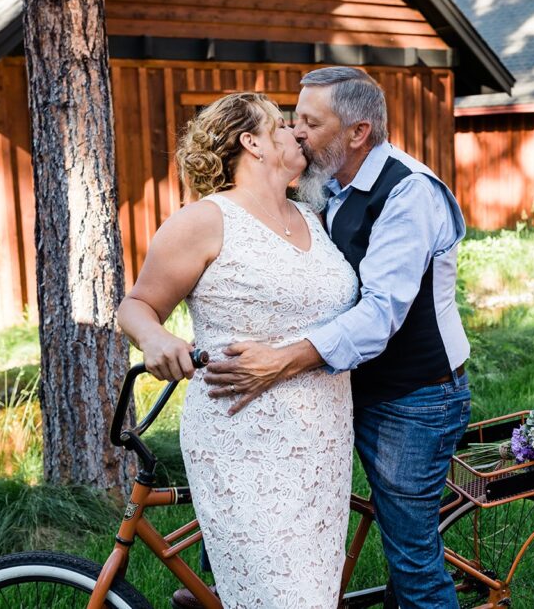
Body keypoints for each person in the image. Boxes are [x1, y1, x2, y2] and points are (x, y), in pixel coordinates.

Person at [204, 67, 472, 609]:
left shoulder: (409, 193)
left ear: (358, 132)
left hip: (414, 397)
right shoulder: (326, 184)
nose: (296, 131)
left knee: (412, 558)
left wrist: (281, 360)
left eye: (310, 121)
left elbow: (378, 316)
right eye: (293, 118)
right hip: (340, 386)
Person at [116, 93, 358, 608]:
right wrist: (157, 338)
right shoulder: (204, 221)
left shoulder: (311, 216)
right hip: (243, 440)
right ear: (251, 142)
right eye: (281, 124)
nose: (297, 132)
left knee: (316, 593)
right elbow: (136, 305)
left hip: (324, 441)